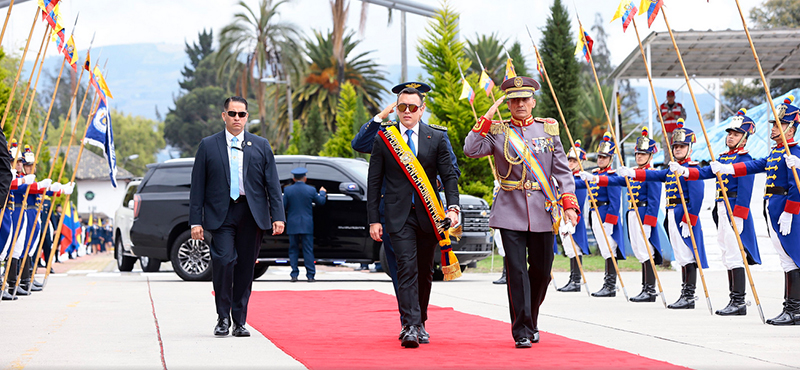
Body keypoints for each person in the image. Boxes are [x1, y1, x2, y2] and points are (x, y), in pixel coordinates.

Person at [464, 76, 579, 348]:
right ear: (508, 104)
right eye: (514, 100)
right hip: (509, 211)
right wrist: (486, 119)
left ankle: (531, 318)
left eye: (524, 99)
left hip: (542, 210)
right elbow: (471, 149)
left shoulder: (548, 130)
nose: (520, 104)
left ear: (533, 102)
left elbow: (562, 171)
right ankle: (522, 331)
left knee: (542, 271)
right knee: (516, 272)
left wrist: (569, 205)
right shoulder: (498, 131)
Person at [352, 82, 461, 327]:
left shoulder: (437, 136)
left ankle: (418, 321)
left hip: (428, 213)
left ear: (422, 109)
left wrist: (443, 197)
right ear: (396, 108)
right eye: (402, 107)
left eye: (413, 107)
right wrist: (381, 117)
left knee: (424, 271)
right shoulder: (386, 136)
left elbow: (451, 173)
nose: (407, 111)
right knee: (405, 268)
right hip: (395, 214)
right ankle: (409, 324)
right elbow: (365, 160)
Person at [189, 96, 286, 337]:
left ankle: (239, 321)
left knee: (245, 266)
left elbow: (272, 184)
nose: (236, 118)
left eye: (241, 114)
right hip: (221, 215)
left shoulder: (261, 145)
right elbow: (197, 186)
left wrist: (278, 216)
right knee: (223, 261)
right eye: (232, 113)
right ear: (224, 116)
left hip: (251, 214)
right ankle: (223, 317)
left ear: (246, 117)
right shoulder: (208, 145)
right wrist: (195, 220)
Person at [713, 96, 800, 325]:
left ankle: (795, 310)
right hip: (773, 210)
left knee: (793, 259)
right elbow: (753, 166)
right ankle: (791, 308)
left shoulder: (795, 153)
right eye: (774, 124)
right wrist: (728, 168)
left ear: (791, 128)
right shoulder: (776, 152)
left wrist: (790, 212)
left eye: (778, 124)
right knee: (786, 260)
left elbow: (796, 186)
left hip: (787, 212)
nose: (774, 128)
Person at [619, 118, 707, 310]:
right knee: (681, 256)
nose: (678, 149)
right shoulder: (670, 170)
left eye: (682, 146)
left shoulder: (692, 169)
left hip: (684, 217)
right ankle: (683, 294)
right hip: (672, 215)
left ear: (690, 148)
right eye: (675, 146)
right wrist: (632, 173)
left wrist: (690, 219)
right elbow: (652, 175)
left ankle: (689, 296)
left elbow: (698, 196)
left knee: (687, 255)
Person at [681, 109, 759, 316]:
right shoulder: (724, 158)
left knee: (735, 254)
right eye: (730, 133)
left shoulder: (745, 159)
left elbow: (746, 190)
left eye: (736, 134)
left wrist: (740, 216)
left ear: (745, 138)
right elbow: (705, 172)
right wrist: (686, 171)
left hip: (734, 210)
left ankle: (739, 301)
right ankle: (733, 299)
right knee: (726, 252)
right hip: (721, 208)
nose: (730, 137)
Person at [591, 128, 663, 302]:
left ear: (650, 156)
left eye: (643, 154)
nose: (639, 157)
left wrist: (649, 222)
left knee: (646, 251)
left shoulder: (652, 174)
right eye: (637, 153)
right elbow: (614, 181)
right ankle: (645, 289)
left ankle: (650, 290)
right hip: (632, 213)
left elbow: (654, 200)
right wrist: (595, 178)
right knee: (639, 251)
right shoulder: (632, 173)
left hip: (643, 215)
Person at [578, 133, 625, 298]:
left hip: (605, 215)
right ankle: (608, 284)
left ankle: (610, 285)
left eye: (604, 157)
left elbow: (615, 202)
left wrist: (610, 221)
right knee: (605, 250)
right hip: (595, 214)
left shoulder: (612, 176)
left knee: (610, 249)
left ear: (610, 159)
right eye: (599, 157)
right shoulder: (595, 175)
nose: (600, 159)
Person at [556, 141, 589, 292]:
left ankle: (576, 281)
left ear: (580, 162)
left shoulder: (580, 179)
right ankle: (573, 278)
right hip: (563, 216)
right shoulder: (567, 178)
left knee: (575, 247)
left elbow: (579, 202)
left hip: (574, 218)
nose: (570, 163)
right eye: (569, 160)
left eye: (574, 161)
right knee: (569, 247)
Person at [283, 167, 327, 282]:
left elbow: (283, 206)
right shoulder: (311, 190)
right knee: (308, 250)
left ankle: (294, 274)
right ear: (305, 178)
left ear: (294, 178)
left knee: (293, 250)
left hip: (293, 223)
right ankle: (310, 275)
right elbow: (321, 202)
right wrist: (322, 193)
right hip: (307, 224)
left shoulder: (288, 190)